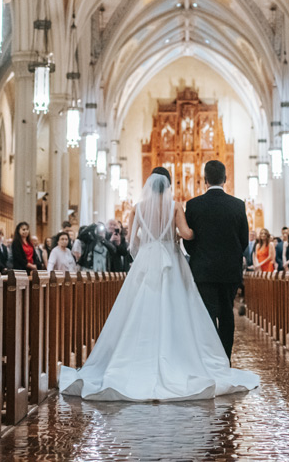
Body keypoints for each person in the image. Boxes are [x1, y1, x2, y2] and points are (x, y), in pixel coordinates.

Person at [59, 166, 259, 401]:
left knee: (141, 308)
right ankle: (178, 357)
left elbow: (132, 242)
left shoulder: (137, 209)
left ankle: (136, 358)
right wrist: (182, 235)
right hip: (169, 259)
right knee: (176, 307)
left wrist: (145, 249)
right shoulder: (174, 206)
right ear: (169, 184)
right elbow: (187, 234)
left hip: (146, 259)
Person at [184, 160, 250, 361]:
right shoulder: (237, 205)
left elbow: (189, 241)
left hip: (203, 270)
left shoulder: (193, 205)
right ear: (225, 179)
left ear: (204, 180)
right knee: (227, 313)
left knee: (208, 314)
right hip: (229, 270)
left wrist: (200, 256)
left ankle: (211, 358)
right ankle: (225, 358)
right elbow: (244, 240)